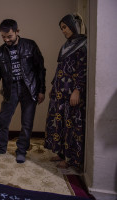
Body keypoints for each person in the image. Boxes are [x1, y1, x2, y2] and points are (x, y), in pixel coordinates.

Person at [0, 19, 46, 163]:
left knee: (27, 122)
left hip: (29, 88)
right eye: (3, 37)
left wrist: (41, 90)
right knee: (3, 120)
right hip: (10, 89)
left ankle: (21, 151)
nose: (6, 39)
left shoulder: (30, 45)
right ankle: (1, 147)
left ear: (17, 32)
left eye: (9, 36)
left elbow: (40, 69)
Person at [44, 14, 87, 169]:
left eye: (65, 27)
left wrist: (78, 90)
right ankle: (61, 153)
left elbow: (82, 69)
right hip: (59, 92)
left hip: (71, 94)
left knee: (70, 125)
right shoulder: (66, 46)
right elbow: (60, 69)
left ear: (73, 26)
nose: (63, 31)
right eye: (61, 28)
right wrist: (53, 86)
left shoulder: (83, 44)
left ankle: (70, 158)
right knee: (59, 123)